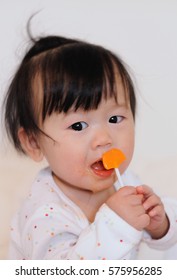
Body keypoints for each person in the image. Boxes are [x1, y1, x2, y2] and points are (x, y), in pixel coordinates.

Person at [3, 33, 177, 260]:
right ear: (34, 142)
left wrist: (160, 225)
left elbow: (167, 238)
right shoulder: (43, 214)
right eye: (78, 125)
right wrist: (116, 224)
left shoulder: (126, 182)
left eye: (115, 119)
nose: (104, 139)